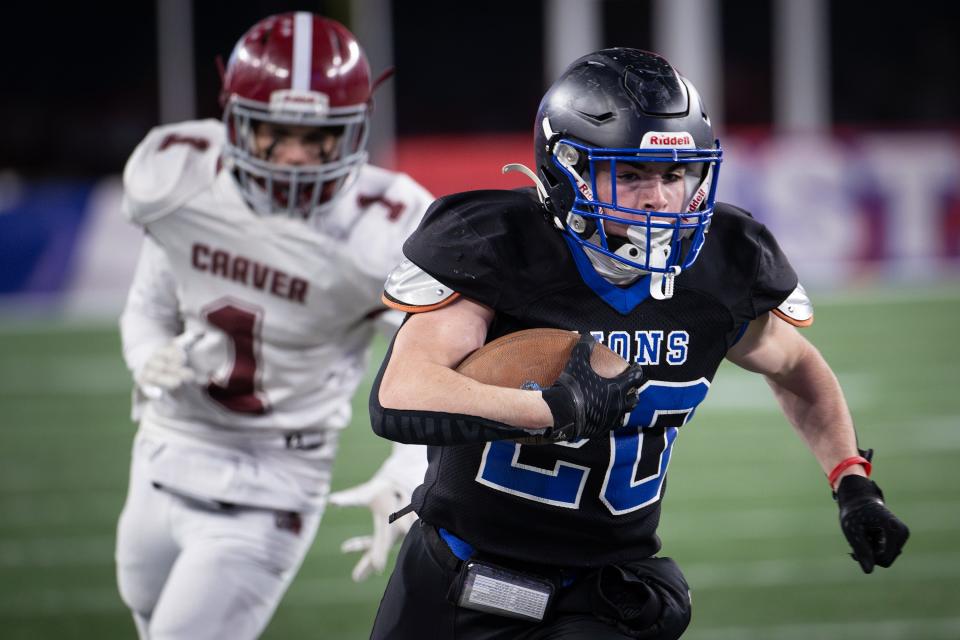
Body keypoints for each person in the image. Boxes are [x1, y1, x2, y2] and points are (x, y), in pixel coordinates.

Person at [366, 49, 910, 639]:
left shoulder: (722, 265)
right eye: (631, 175)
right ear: (566, 169)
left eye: (674, 175)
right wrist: (546, 408)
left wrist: (852, 479)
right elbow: (400, 393)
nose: (658, 199)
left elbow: (796, 366)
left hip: (601, 593)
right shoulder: (500, 247)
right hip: (456, 571)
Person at [114, 12, 431, 640]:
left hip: (270, 483)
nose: (294, 158)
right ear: (235, 122)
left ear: (354, 132)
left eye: (319, 138)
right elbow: (148, 307)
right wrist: (146, 354)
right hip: (159, 452)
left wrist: (412, 465)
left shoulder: (384, 224)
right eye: (275, 133)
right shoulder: (183, 181)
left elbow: (438, 358)